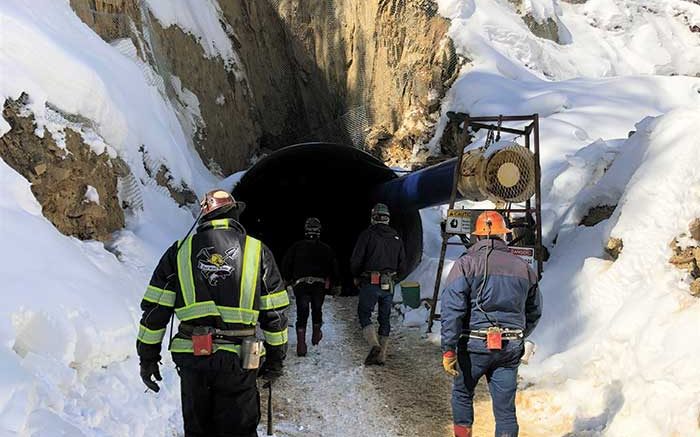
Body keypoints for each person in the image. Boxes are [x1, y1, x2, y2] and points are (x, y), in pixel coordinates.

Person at [136, 190, 289, 437]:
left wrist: (147, 357)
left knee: (198, 430)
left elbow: (155, 310)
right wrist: (275, 359)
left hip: (193, 359)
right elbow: (276, 313)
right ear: (233, 214)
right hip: (239, 361)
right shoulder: (256, 250)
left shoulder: (180, 251)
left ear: (203, 218)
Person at [440, 211, 542, 437]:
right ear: (503, 236)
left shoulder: (465, 264)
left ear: (477, 237)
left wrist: (448, 348)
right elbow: (535, 310)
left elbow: (452, 310)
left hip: (473, 346)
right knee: (505, 411)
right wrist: (519, 334)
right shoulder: (523, 268)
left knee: (463, 395)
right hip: (510, 348)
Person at [350, 203, 407, 365]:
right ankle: (382, 355)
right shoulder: (396, 237)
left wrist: (356, 275)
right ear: (388, 218)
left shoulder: (367, 235)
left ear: (373, 217)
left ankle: (374, 345)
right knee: (385, 317)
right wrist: (395, 278)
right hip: (389, 283)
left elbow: (356, 259)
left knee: (364, 313)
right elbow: (403, 265)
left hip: (370, 281)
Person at [281, 217, 340, 356]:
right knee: (317, 308)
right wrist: (336, 284)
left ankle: (301, 345)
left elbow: (286, 264)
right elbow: (334, 267)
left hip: (300, 284)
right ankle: (315, 333)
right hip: (319, 284)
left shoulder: (296, 247)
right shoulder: (326, 249)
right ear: (319, 231)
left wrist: (287, 279)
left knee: (302, 312)